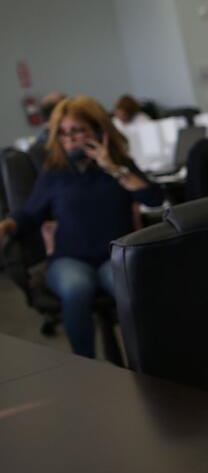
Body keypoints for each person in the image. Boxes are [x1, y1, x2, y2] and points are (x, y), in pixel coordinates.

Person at [0, 96, 164, 357]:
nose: (70, 139)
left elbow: (154, 198)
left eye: (77, 131)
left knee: (131, 294)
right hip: (69, 259)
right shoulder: (55, 172)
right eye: (63, 133)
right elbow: (30, 213)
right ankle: (85, 366)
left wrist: (113, 168)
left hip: (113, 256)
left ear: (98, 130)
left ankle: (147, 364)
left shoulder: (117, 166)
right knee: (77, 288)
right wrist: (7, 225)